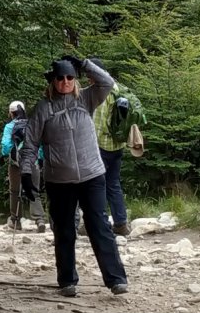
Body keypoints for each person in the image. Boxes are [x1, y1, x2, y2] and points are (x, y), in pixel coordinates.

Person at [24, 45, 129, 297]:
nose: (65, 82)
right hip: (59, 180)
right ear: (53, 80)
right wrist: (27, 173)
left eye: (70, 77)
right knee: (64, 230)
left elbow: (108, 82)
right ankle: (67, 281)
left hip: (92, 174)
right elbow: (30, 143)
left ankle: (116, 279)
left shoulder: (87, 99)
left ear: (75, 79)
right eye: (60, 78)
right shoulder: (43, 108)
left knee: (99, 226)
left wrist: (84, 64)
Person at [92, 85, 145, 236]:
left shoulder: (103, 94)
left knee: (98, 185)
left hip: (101, 146)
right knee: (113, 184)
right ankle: (121, 223)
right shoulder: (121, 90)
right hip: (118, 146)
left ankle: (99, 224)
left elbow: (98, 126)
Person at [1, 101, 45, 232]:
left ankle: (15, 221)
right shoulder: (32, 124)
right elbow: (40, 144)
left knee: (15, 191)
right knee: (34, 190)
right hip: (33, 162)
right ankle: (40, 220)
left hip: (16, 164)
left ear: (11, 113)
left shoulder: (10, 126)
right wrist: (39, 158)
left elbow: (5, 146)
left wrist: (8, 155)